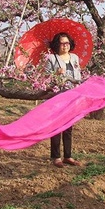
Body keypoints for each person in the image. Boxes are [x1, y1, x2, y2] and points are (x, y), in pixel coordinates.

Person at [45, 32, 83, 168]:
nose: (65, 46)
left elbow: (78, 74)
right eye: (61, 43)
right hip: (58, 96)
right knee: (56, 127)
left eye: (67, 43)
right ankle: (56, 157)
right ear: (56, 44)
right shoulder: (51, 58)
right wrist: (56, 73)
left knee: (68, 127)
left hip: (72, 95)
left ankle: (68, 156)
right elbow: (45, 78)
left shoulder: (74, 58)